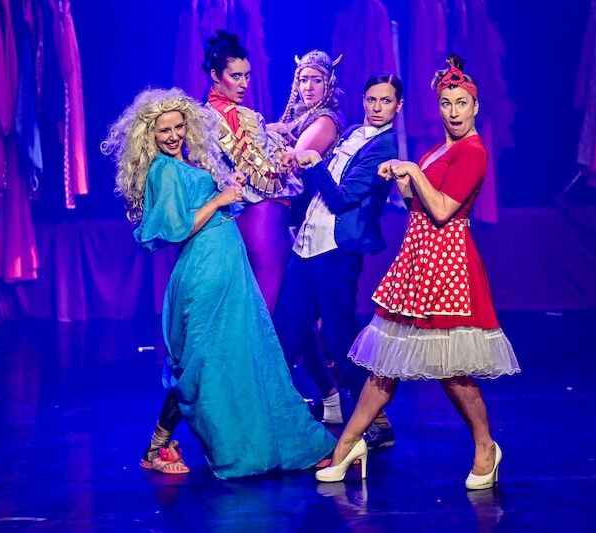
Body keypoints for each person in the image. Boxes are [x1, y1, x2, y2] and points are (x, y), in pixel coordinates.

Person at [102, 88, 335, 479]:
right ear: (150, 134)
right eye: (164, 131)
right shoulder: (164, 169)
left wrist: (229, 189)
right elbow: (176, 229)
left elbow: (210, 209)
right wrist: (218, 199)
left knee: (234, 357)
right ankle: (158, 446)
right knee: (201, 362)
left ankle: (246, 442)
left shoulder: (185, 164)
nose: (173, 136)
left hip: (226, 266)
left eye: (178, 127)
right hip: (205, 271)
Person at [315, 55, 520, 490]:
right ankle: (348, 444)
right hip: (417, 260)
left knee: (452, 371)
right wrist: (402, 181)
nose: (453, 112)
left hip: (447, 264)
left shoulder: (473, 152)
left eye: (461, 103)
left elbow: (443, 210)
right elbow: (420, 204)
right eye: (446, 103)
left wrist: (410, 170)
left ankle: (486, 447)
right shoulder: (438, 150)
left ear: (475, 106)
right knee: (385, 364)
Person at [274, 73, 402, 442]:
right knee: (286, 331)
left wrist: (313, 161)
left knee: (339, 338)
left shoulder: (384, 147)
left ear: (398, 106)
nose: (377, 107)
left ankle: (377, 422)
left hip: (336, 252)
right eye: (371, 99)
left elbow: (342, 198)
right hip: (307, 244)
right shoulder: (353, 133)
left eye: (386, 101)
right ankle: (274, 415)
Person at [202, 29, 297, 313]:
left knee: (250, 302)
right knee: (263, 306)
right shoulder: (237, 117)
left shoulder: (208, 118)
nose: (244, 84)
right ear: (216, 76)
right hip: (260, 217)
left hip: (236, 220)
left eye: (247, 75)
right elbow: (264, 177)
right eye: (235, 76)